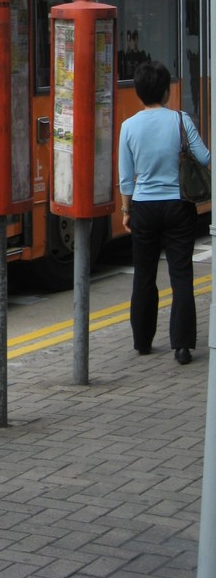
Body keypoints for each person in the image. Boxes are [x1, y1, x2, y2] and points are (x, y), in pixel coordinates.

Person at [118, 60, 210, 365]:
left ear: (139, 92)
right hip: (179, 205)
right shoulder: (181, 121)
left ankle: (142, 342)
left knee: (144, 275)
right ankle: (182, 346)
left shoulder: (128, 126)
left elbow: (125, 175)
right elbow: (205, 157)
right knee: (181, 274)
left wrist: (126, 210)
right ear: (166, 90)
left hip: (143, 207)